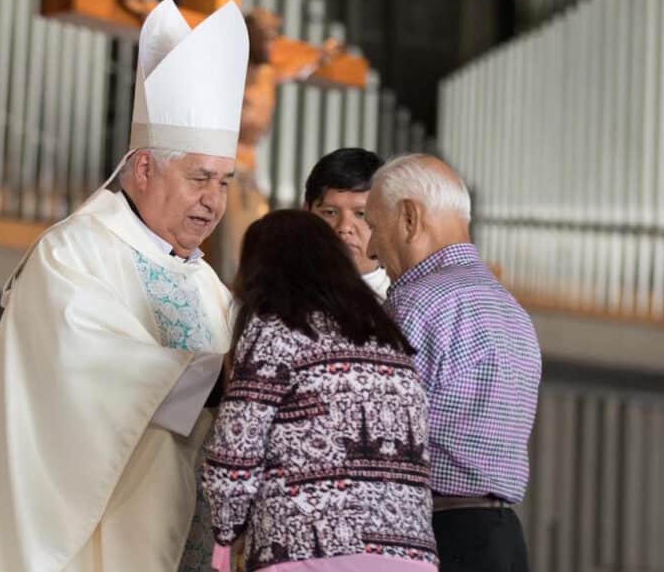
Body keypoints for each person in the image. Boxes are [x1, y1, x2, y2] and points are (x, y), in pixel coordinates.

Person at [0, 0, 249, 572]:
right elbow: (86, 368)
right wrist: (216, 375)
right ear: (144, 170)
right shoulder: (74, 250)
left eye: (225, 182)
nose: (214, 201)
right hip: (97, 542)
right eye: (200, 178)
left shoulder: (206, 282)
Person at [203, 210, 438, 572]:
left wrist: (225, 532)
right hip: (408, 554)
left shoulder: (276, 330)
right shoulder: (390, 341)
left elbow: (237, 450)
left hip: (306, 548)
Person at [365, 154, 542, 572]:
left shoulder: (415, 303)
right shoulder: (511, 309)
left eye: (373, 226)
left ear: (409, 218)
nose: (370, 248)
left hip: (436, 537)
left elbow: (376, 440)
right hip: (503, 539)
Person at [304, 147, 389, 300]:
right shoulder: (278, 298)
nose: (344, 227)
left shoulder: (401, 306)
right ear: (305, 213)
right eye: (329, 213)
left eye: (361, 214)